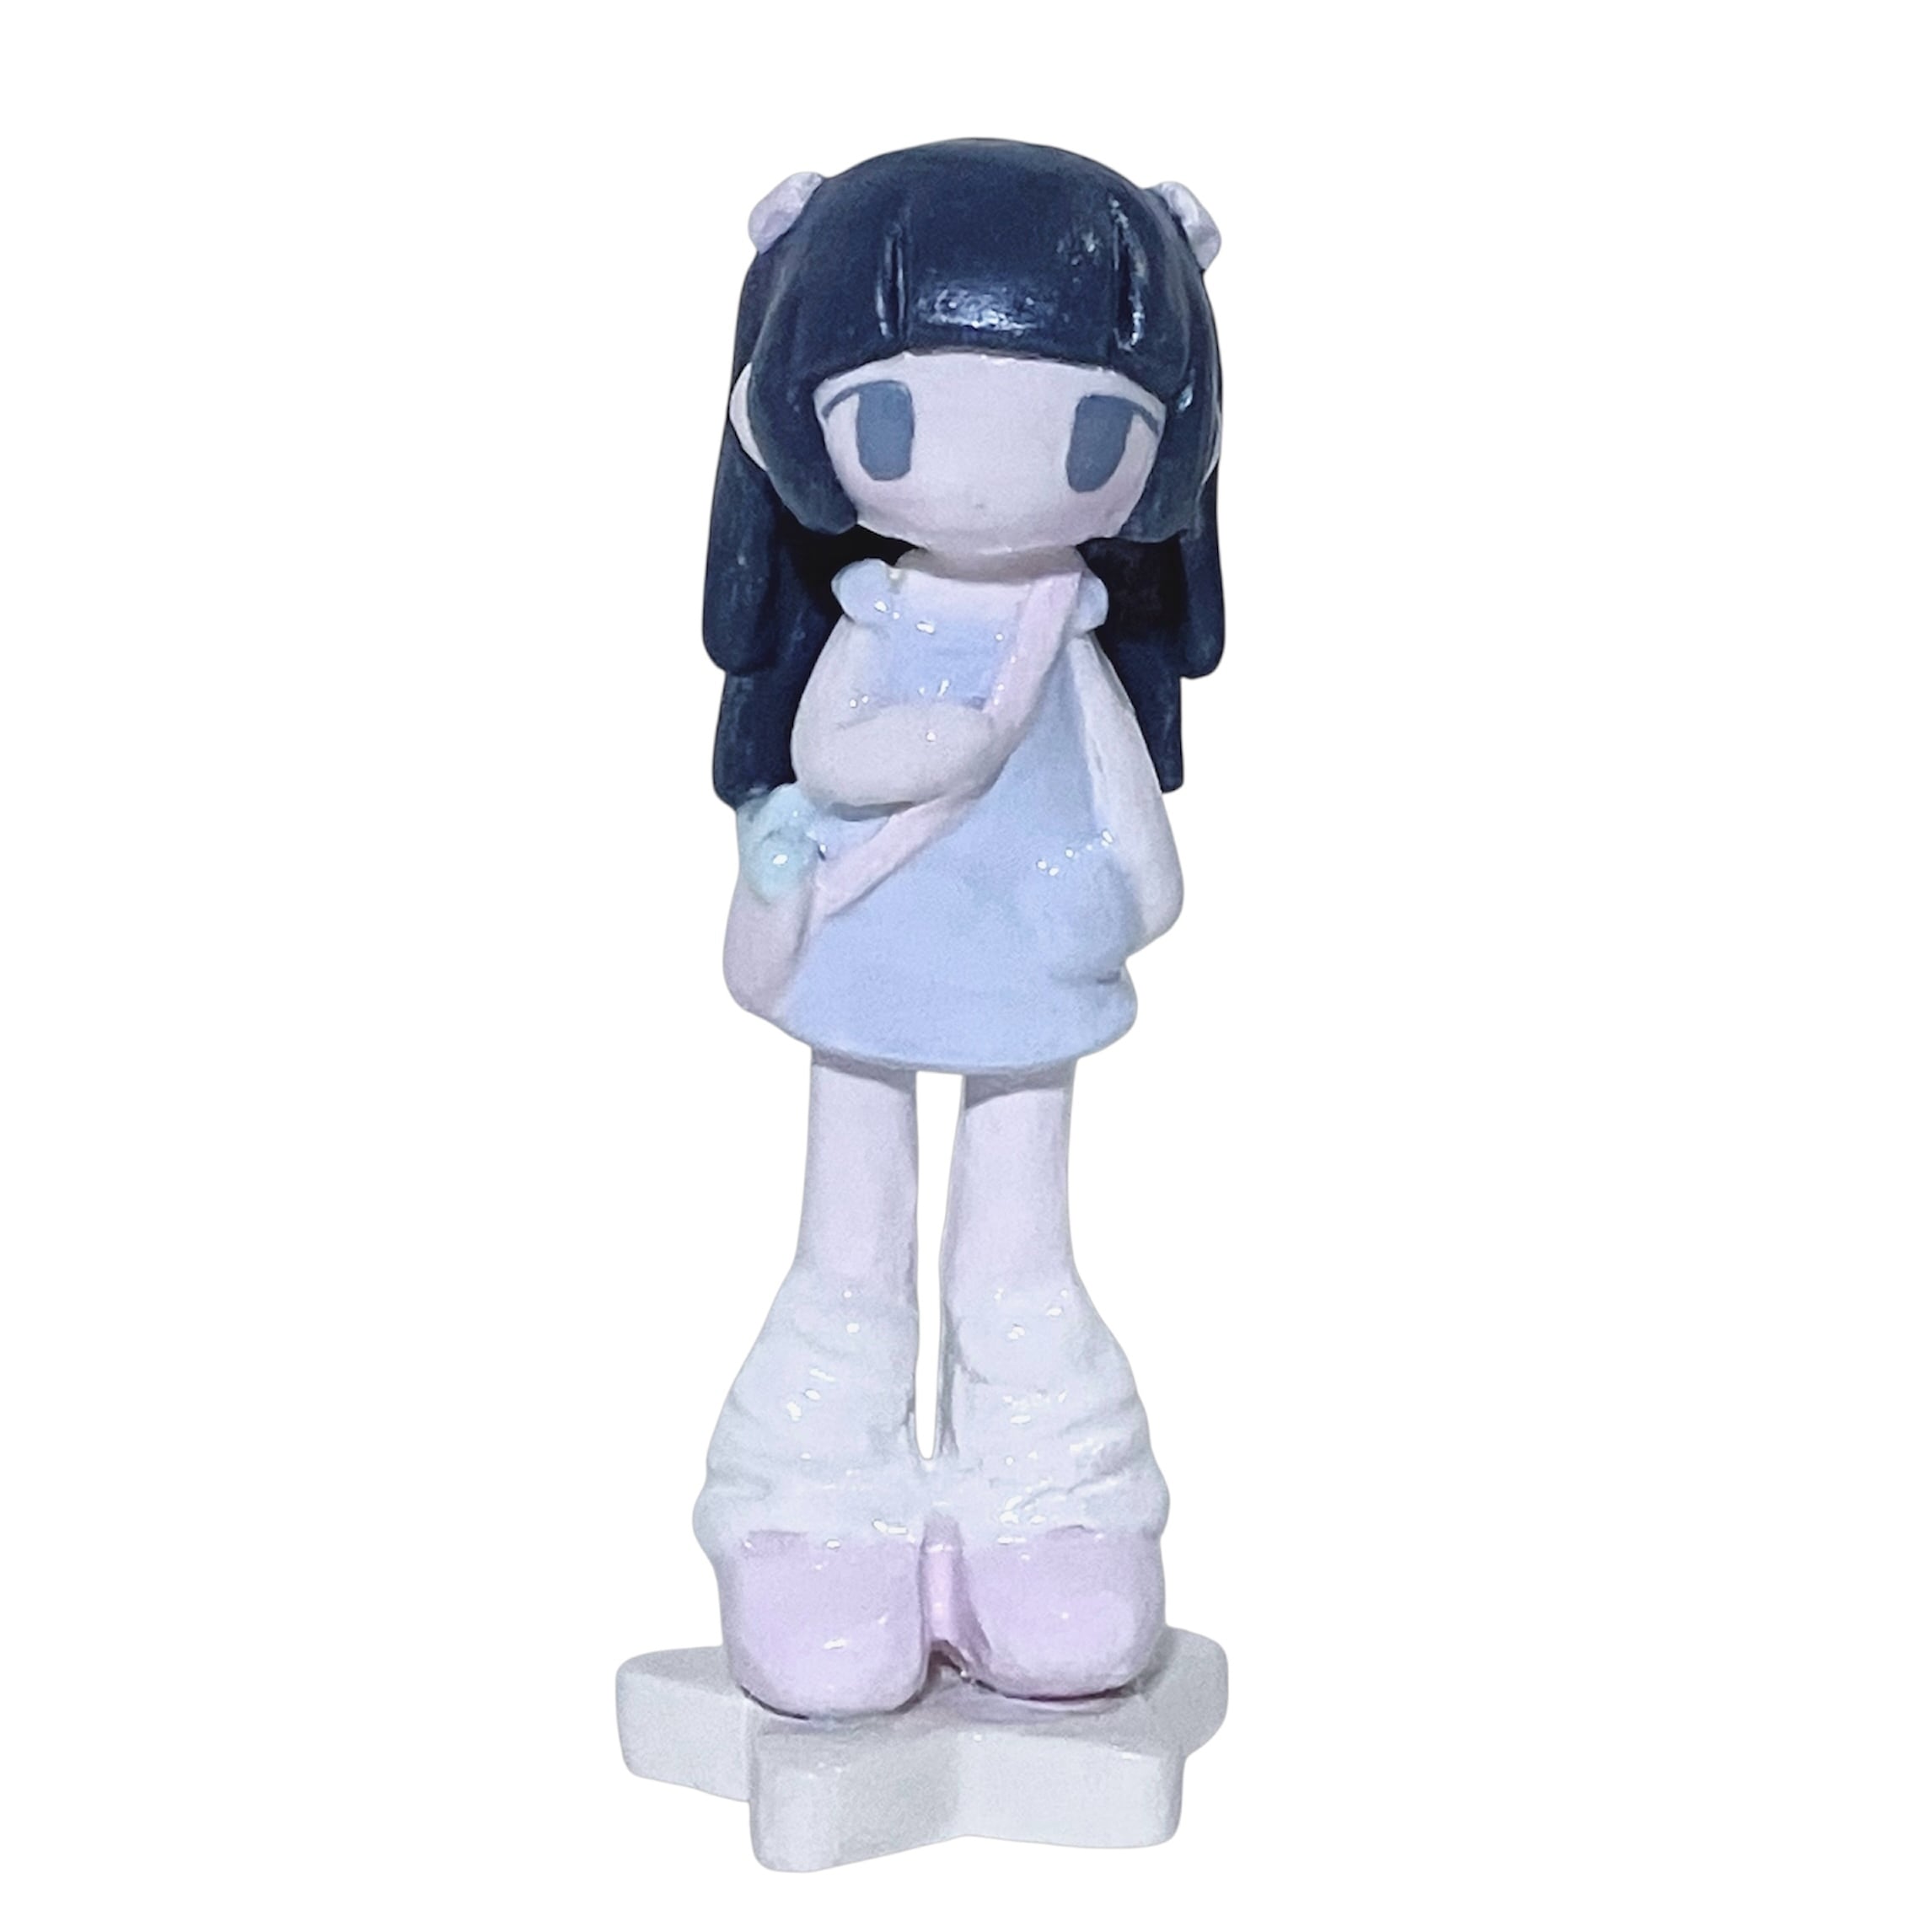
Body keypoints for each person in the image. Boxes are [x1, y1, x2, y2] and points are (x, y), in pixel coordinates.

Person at [691, 138, 1225, 1717]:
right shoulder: (875, 618)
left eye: (1087, 431)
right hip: (876, 949)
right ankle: (815, 1494)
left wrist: (1112, 899)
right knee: (848, 1229)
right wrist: (910, 758)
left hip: (1022, 963)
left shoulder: (1068, 635)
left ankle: (1046, 1488)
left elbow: (1138, 840)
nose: (986, 480)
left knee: (1018, 1238)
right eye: (900, 420)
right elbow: (834, 749)